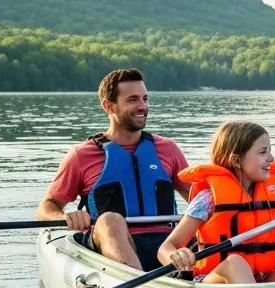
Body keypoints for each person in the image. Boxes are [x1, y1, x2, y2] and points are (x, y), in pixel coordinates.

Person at [158, 120, 275, 284]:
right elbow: (166, 248)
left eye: (270, 151)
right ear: (236, 160)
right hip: (217, 281)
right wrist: (175, 256)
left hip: (264, 278)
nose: (271, 159)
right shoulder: (208, 199)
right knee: (236, 262)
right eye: (263, 152)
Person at [37, 67, 190, 269]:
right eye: (133, 100)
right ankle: (139, 286)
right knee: (110, 220)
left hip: (167, 245)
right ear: (109, 106)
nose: (143, 106)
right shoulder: (81, 155)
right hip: (110, 246)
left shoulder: (168, 148)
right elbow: (46, 207)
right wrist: (65, 216)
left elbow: (197, 199)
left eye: (145, 98)